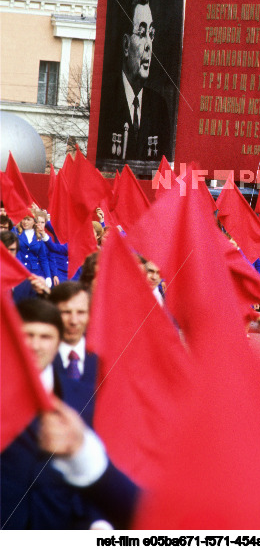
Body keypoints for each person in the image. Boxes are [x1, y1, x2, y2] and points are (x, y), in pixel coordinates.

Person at [1, 297, 137, 529]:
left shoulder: (87, 397)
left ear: (58, 342)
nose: (35, 345)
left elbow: (101, 462)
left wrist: (98, 521)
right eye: (28, 335)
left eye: (45, 337)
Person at [96, 0, 171, 163]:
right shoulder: (105, 101)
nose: (149, 46)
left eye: (151, 35)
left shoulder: (159, 108)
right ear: (126, 45)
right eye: (142, 33)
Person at [50, 281, 98, 426]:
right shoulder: (38, 359)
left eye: (81, 312)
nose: (74, 321)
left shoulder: (105, 359)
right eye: (66, 312)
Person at [13, 211, 52, 285]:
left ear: (34, 221)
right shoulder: (16, 232)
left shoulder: (39, 236)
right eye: (24, 219)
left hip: (35, 272)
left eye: (28, 219)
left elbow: (43, 258)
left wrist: (48, 276)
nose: (25, 222)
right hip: (19, 270)